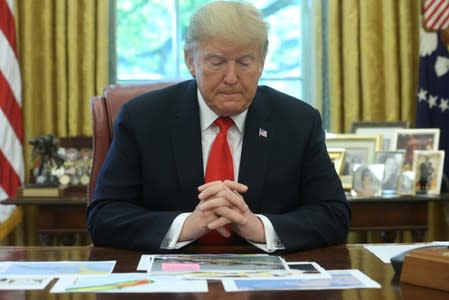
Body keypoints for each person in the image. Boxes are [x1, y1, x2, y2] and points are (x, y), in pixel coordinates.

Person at [87, 1, 351, 253]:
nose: (231, 78)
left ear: (262, 61)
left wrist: (259, 227)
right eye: (216, 62)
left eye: (245, 62)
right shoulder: (143, 119)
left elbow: (334, 215)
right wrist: (185, 226)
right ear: (191, 60)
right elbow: (104, 216)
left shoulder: (298, 122)